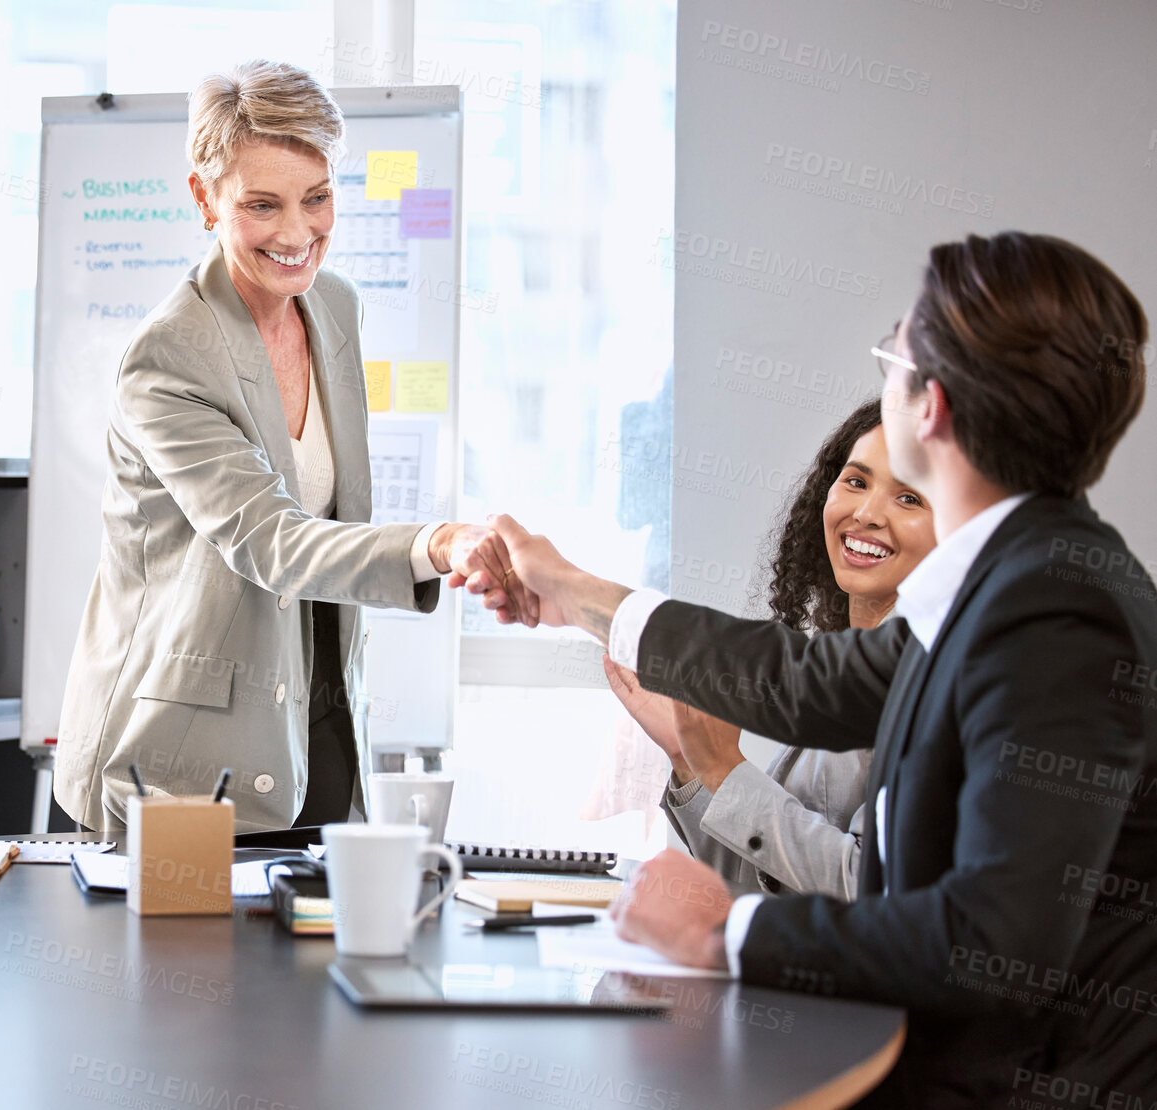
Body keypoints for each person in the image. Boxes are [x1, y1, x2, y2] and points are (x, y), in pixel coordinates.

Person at [453, 232, 1157, 1104]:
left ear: (929, 404)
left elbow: (992, 948)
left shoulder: (1058, 611)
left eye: (894, 351)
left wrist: (731, 932)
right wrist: (571, 593)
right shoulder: (1014, 577)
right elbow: (807, 683)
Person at [55, 60, 530, 834]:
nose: (296, 234)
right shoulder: (169, 356)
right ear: (204, 198)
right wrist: (438, 543)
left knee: (319, 951)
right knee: (191, 959)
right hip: (179, 750)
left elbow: (333, 511)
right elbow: (268, 540)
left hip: (316, 713)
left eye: (316, 199)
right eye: (261, 205)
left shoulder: (332, 308)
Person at [609, 398, 935, 898]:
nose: (867, 514)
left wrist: (725, 769)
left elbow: (866, 887)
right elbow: (759, 883)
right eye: (856, 481)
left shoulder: (929, 682)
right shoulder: (830, 664)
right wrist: (690, 762)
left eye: (909, 498)